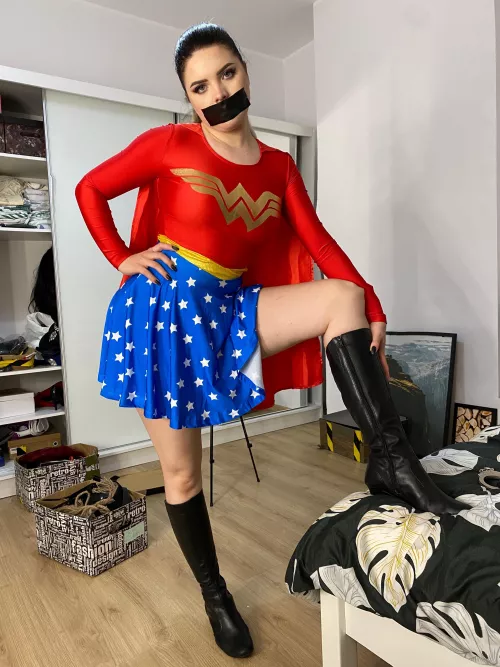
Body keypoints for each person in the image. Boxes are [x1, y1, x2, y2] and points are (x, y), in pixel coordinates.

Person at [75, 23, 466, 659]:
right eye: (200, 86)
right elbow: (89, 189)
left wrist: (371, 301)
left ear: (245, 72)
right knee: (181, 473)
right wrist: (121, 256)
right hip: (164, 316)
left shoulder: (279, 166)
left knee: (340, 299)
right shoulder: (169, 143)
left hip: (231, 305)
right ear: (189, 98)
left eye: (227, 74)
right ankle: (215, 596)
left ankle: (391, 460)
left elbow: (319, 242)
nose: (218, 93)